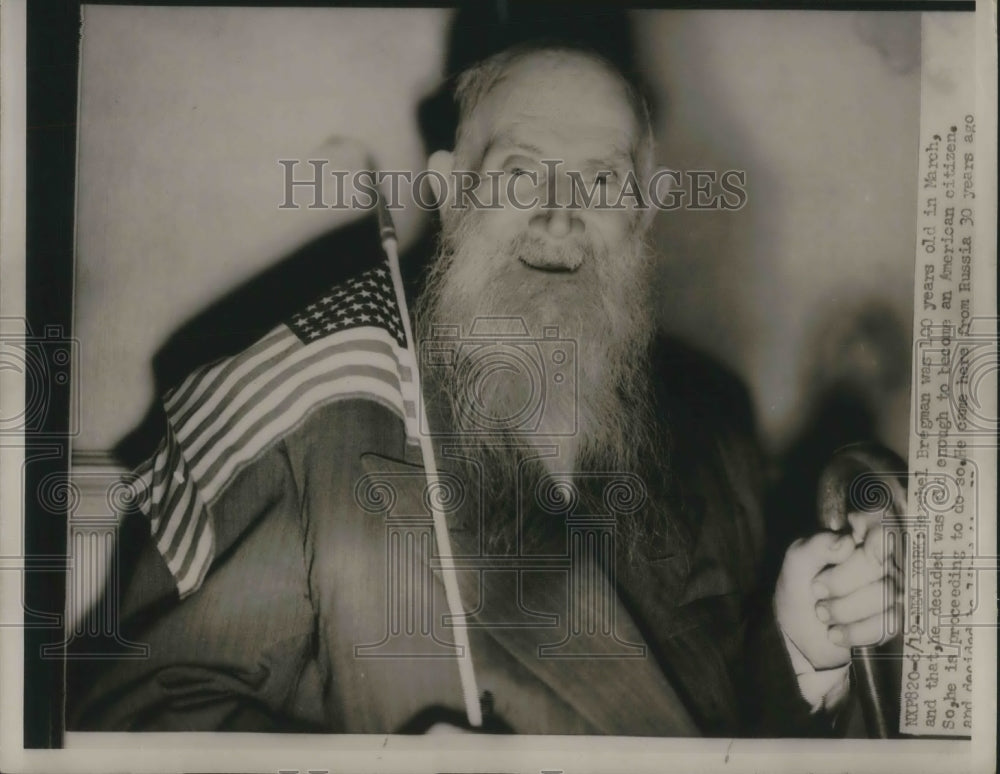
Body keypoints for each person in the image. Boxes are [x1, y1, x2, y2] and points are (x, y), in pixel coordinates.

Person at [67, 42, 901, 736]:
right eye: (519, 175)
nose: (560, 215)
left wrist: (802, 649)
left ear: (644, 214)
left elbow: (721, 728)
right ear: (447, 190)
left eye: (601, 182)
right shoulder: (318, 425)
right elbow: (137, 715)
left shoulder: (712, 427)